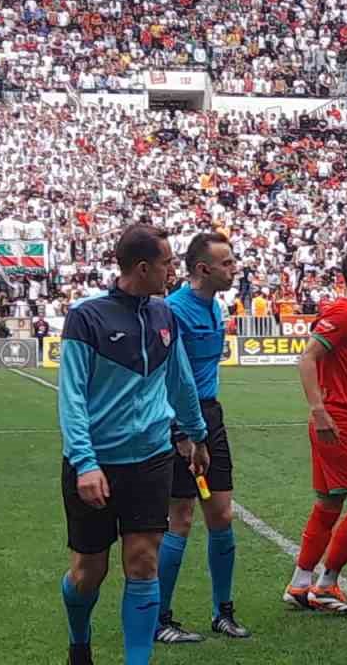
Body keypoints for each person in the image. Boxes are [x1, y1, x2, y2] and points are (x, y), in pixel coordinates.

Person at [57, 225, 210, 665]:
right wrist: (85, 463)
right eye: (166, 264)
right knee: (89, 572)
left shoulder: (165, 316)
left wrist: (196, 435)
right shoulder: (87, 317)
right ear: (142, 268)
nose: (172, 273)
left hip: (151, 459)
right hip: (96, 465)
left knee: (143, 562)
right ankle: (79, 642)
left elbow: (180, 382)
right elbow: (72, 398)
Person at [156, 232, 250, 643]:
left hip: (211, 415)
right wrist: (180, 432)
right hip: (179, 419)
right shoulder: (172, 310)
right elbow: (162, 375)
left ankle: (222, 612)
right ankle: (160, 618)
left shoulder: (216, 307)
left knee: (222, 515)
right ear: (202, 269)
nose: (234, 269)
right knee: (181, 517)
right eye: (227, 263)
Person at [284, 247, 347, 615]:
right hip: (336, 422)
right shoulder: (345, 312)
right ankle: (325, 585)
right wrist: (319, 410)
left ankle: (300, 582)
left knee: (329, 504)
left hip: (340, 419)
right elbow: (307, 357)